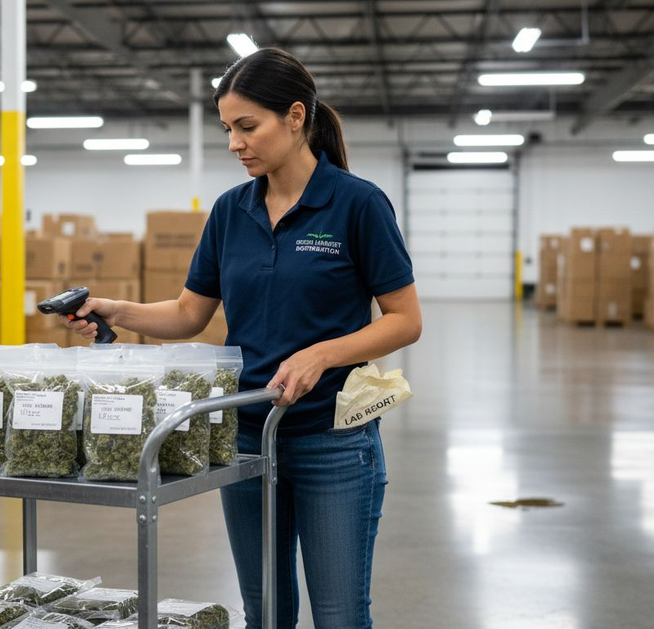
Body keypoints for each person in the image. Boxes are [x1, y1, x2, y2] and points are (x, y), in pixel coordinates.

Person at [63, 47, 421, 629]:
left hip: (333, 440)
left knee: (339, 613)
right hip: (246, 436)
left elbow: (405, 319)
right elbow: (187, 314)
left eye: (248, 127)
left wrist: (322, 354)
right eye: (228, 128)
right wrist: (114, 308)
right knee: (265, 611)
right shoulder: (230, 211)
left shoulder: (357, 204)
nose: (235, 143)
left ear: (297, 117)